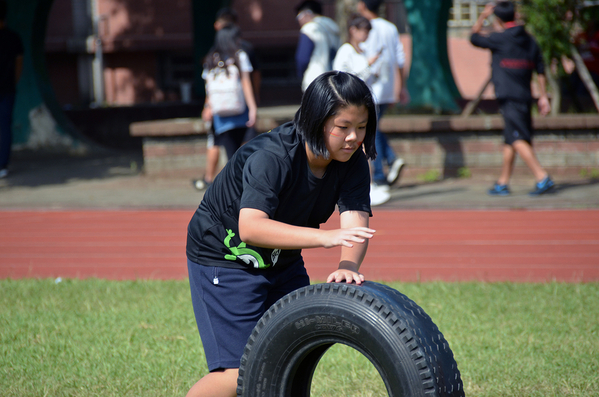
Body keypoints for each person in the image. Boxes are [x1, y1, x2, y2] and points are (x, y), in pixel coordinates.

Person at [185, 71, 377, 397]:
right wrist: (325, 238)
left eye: (361, 127)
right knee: (238, 372)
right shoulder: (271, 157)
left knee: (291, 356)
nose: (353, 137)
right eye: (343, 127)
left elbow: (355, 221)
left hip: (282, 261)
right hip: (225, 258)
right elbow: (251, 227)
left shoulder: (351, 161)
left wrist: (349, 266)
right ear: (316, 121)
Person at [471, 1, 554, 196]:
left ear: (498, 19)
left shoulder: (499, 38)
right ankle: (503, 182)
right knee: (511, 138)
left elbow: (473, 37)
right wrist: (543, 96)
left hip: (508, 96)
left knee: (518, 138)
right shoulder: (530, 40)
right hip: (525, 95)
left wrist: (483, 16)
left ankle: (542, 177)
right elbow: (540, 69)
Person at [194, 8, 261, 191]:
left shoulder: (211, 59)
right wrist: (253, 108)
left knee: (231, 155)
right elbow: (246, 83)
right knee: (250, 150)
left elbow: (209, 87)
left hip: (221, 115)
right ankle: (248, 187)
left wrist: (207, 106)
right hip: (241, 112)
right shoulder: (240, 56)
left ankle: (233, 190)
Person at [332, 13, 389, 206]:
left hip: (364, 104)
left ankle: (368, 185)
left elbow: (365, 79)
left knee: (366, 145)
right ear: (352, 30)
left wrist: (374, 69)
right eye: (362, 30)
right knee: (358, 146)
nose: (365, 34)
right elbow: (342, 79)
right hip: (350, 107)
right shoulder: (345, 51)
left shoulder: (361, 51)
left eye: (367, 31)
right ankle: (363, 187)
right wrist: (368, 65)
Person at [357, 0, 408, 188]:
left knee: (372, 132)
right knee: (373, 128)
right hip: (387, 88)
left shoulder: (365, 28)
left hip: (371, 88)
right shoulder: (390, 27)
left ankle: (379, 175)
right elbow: (400, 59)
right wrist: (402, 87)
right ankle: (391, 160)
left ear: (363, 5)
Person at [0, 0, 23, 179]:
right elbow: (18, 64)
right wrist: (13, 82)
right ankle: (3, 165)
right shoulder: (13, 38)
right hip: (8, 89)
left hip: (7, 88)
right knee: (4, 126)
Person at [295, 0, 340, 92]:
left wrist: (300, 75)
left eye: (299, 16)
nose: (299, 20)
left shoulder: (310, 28)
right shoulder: (334, 27)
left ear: (307, 13)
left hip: (314, 79)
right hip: (334, 78)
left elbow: (302, 59)